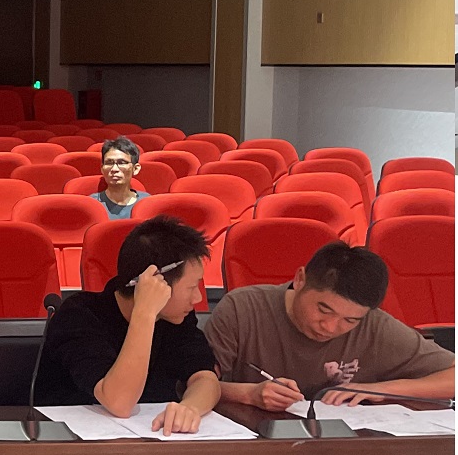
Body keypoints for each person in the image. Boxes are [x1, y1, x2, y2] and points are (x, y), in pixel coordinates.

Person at [208, 241, 454, 411]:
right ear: (300, 279)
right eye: (324, 310)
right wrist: (248, 394)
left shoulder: (375, 326)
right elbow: (193, 383)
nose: (330, 327)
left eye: (350, 321)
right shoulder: (243, 309)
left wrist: (382, 390)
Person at [33, 215, 219, 431]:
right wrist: (145, 312)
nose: (197, 298)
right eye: (191, 287)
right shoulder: (79, 315)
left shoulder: (177, 318)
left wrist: (189, 408)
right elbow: (119, 402)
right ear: (155, 281)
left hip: (152, 439)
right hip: (69, 440)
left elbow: (206, 378)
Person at [90, 136, 149, 220]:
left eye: (122, 163)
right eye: (109, 163)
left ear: (135, 169)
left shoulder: (147, 202)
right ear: (102, 169)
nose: (114, 169)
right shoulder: (92, 204)